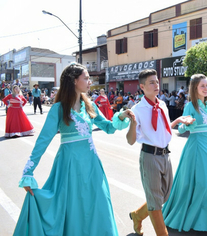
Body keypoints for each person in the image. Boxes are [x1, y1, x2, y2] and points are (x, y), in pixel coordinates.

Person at [13, 63, 135, 236]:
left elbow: (108, 127)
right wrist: (28, 172)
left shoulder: (90, 106)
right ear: (74, 81)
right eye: (86, 78)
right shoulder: (58, 108)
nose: (90, 81)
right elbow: (43, 141)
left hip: (92, 166)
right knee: (73, 208)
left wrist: (121, 115)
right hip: (69, 167)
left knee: (98, 204)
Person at [125, 69, 194, 236]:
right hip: (149, 156)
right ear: (142, 86)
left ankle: (137, 215)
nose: (156, 85)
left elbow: (163, 130)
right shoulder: (138, 109)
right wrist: (133, 124)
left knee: (164, 197)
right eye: (151, 82)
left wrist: (178, 120)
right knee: (155, 202)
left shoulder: (162, 104)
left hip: (165, 155)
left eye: (157, 81)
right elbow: (130, 140)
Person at [162, 74, 207, 232]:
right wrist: (186, 124)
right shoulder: (190, 106)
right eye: (203, 86)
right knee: (203, 183)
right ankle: (195, 217)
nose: (206, 89)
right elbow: (180, 128)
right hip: (197, 147)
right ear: (195, 88)